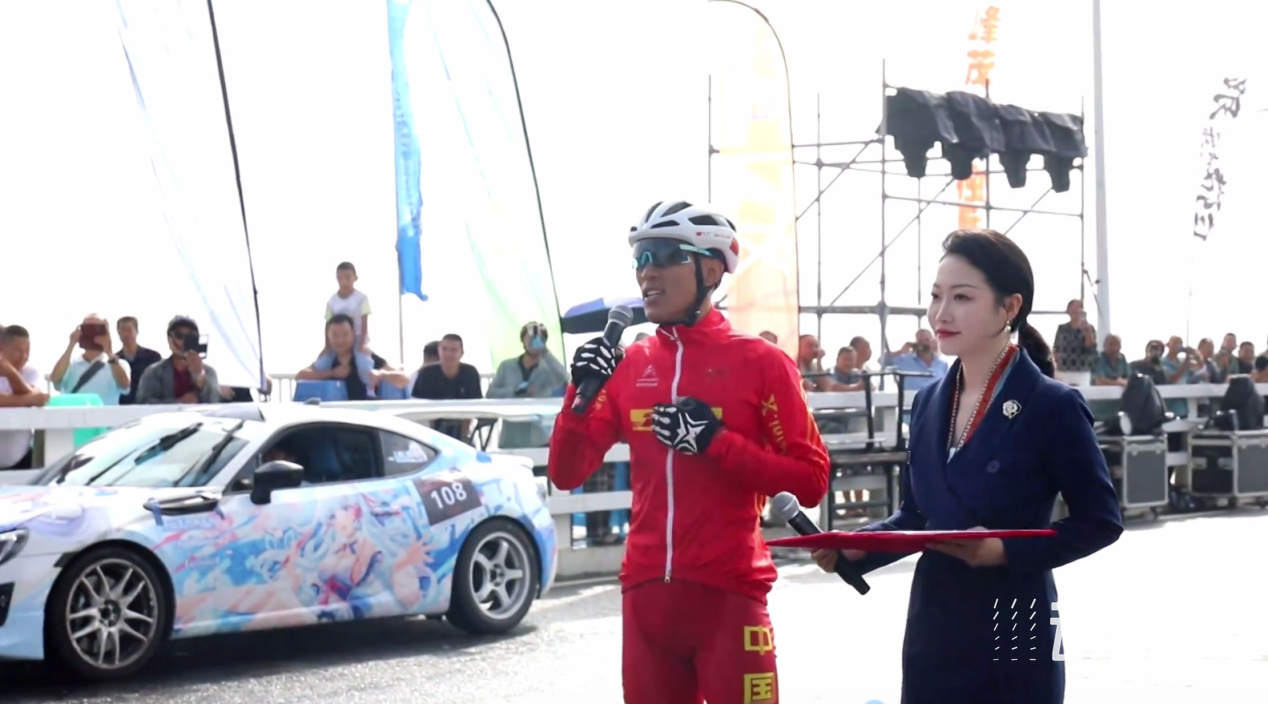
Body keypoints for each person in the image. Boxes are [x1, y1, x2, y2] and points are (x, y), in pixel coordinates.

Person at [810, 229, 1123, 704]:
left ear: (1009, 307)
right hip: (935, 621)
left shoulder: (1052, 404)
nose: (942, 313)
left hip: (1016, 618)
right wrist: (859, 548)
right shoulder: (929, 401)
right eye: (936, 296)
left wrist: (1004, 551)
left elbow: (1100, 521)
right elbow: (917, 515)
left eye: (962, 297)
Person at [548, 200, 830, 704]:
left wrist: (716, 443)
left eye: (663, 255)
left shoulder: (762, 362)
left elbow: (810, 480)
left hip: (730, 596)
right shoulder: (629, 364)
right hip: (646, 597)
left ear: (712, 269)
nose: (647, 272)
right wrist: (577, 392)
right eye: (640, 259)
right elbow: (566, 473)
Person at [486, 322, 569, 448]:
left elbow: (564, 378)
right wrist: (514, 391)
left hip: (539, 437)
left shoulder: (548, 369)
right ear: (522, 340)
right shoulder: (507, 366)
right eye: (530, 337)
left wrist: (545, 352)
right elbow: (491, 394)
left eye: (539, 338)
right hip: (511, 435)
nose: (534, 341)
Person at [136, 316, 221, 404]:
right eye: (179, 335)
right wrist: (178, 403)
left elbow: (215, 402)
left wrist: (201, 378)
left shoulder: (209, 372)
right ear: (169, 340)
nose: (184, 341)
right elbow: (143, 402)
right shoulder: (154, 372)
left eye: (190, 336)